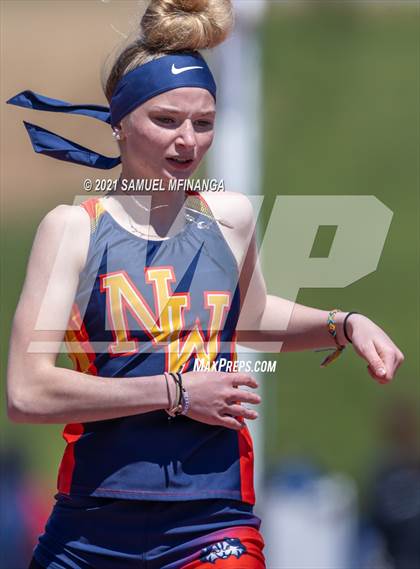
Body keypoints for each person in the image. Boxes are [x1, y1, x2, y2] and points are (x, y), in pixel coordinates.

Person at [6, 0, 404, 567]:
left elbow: (254, 320)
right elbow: (26, 393)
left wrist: (343, 324)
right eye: (166, 120)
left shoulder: (229, 218)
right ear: (119, 122)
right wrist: (177, 391)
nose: (188, 140)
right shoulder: (74, 229)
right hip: (91, 525)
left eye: (203, 122)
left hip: (212, 520)